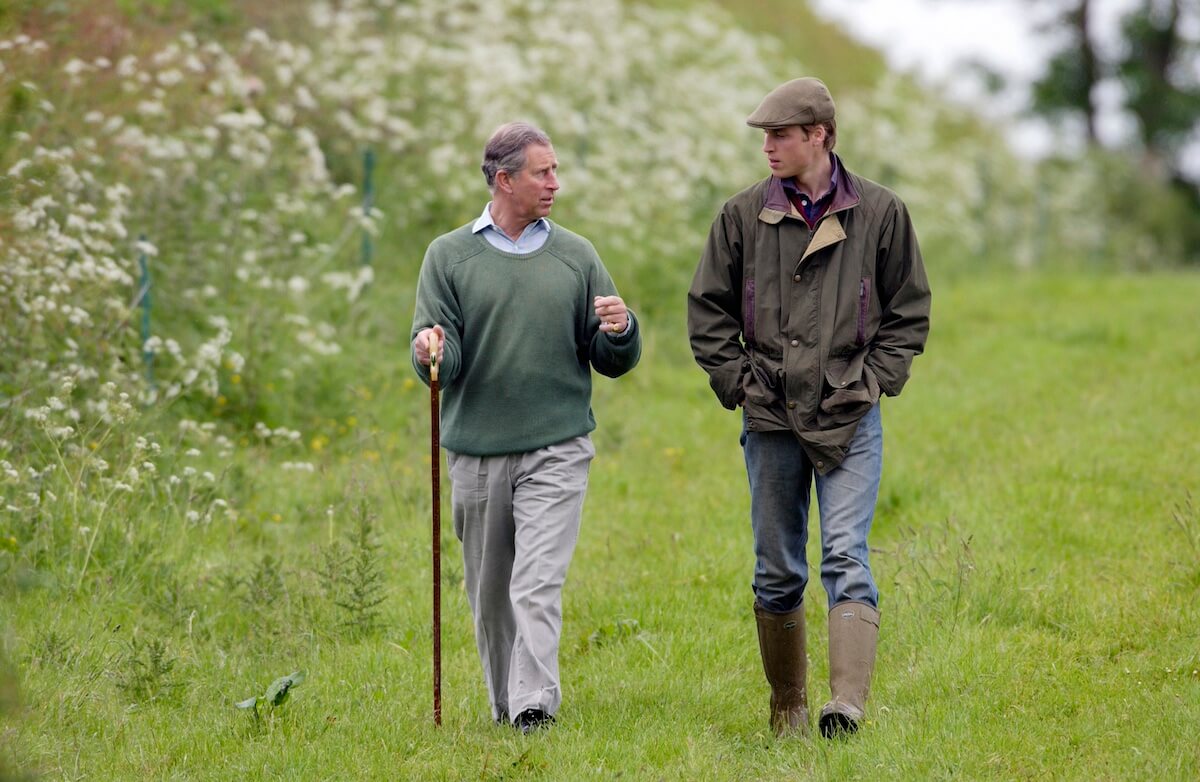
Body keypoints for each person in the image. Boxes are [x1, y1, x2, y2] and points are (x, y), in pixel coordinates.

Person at [687, 78, 930, 739]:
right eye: (764, 136)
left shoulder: (881, 214)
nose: (766, 147)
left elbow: (909, 311)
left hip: (851, 414)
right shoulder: (740, 218)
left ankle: (845, 708)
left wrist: (874, 379)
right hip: (769, 417)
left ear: (819, 135)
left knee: (846, 555)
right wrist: (740, 384)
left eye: (780, 136)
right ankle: (788, 706)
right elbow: (707, 310)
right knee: (776, 567)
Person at [411, 121, 641, 734]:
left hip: (557, 447)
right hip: (477, 452)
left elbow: (609, 359)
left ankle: (533, 706)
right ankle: (503, 705)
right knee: (490, 597)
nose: (555, 184)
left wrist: (620, 331)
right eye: (543, 173)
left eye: (556, 170)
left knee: (536, 582)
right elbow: (444, 358)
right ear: (503, 179)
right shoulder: (449, 256)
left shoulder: (577, 256)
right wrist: (430, 349)